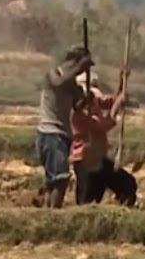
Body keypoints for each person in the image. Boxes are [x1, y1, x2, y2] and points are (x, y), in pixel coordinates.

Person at [36, 45, 93, 208]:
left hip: (62, 136)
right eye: (82, 67)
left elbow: (77, 105)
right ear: (74, 62)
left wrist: (86, 99)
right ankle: (53, 216)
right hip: (50, 133)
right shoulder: (54, 74)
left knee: (53, 181)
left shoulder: (73, 84)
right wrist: (79, 67)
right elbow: (58, 83)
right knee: (59, 180)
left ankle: (48, 215)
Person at [70, 67, 137, 206]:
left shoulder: (94, 102)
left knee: (127, 184)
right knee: (88, 201)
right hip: (86, 159)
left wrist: (122, 81)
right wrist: (118, 104)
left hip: (98, 158)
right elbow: (104, 124)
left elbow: (112, 100)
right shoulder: (79, 114)